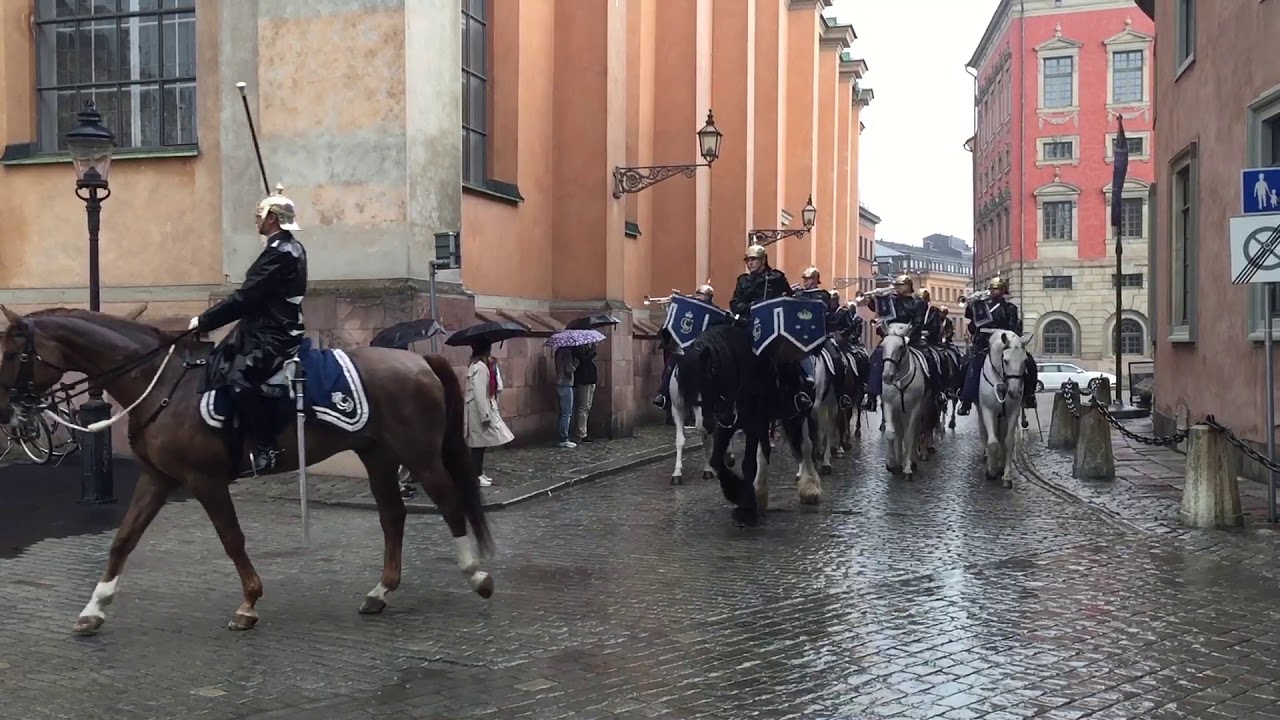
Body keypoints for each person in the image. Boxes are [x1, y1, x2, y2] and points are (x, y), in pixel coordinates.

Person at [192, 185, 307, 475]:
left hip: (275, 333)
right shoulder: (286, 247)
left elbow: (246, 298)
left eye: (260, 215)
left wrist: (204, 321)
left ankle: (267, 448)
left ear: (272, 218)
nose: (256, 220)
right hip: (261, 327)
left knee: (237, 378)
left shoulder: (280, 253)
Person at [729, 245, 812, 413]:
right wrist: (752, 306)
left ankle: (797, 394)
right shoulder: (743, 280)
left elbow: (788, 299)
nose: (750, 263)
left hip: (771, 327)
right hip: (747, 324)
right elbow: (735, 303)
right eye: (748, 260)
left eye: (753, 260)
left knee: (787, 357)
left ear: (763, 260)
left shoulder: (776, 277)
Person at [957, 276, 1039, 415]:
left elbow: (1012, 327)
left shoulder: (1010, 308)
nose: (994, 291)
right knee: (968, 364)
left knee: (1029, 362)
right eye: (993, 289)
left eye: (997, 289)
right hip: (983, 343)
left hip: (1004, 343)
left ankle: (1029, 395)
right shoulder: (982, 306)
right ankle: (966, 399)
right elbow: (970, 317)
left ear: (1003, 291)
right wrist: (972, 303)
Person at [865, 275, 928, 408]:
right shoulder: (891, 300)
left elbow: (918, 322)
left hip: (911, 337)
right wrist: (875, 298)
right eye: (896, 285)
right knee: (876, 356)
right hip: (891, 336)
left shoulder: (918, 302)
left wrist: (909, 337)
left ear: (909, 286)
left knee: (931, 358)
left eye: (901, 285)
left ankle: (937, 392)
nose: (897, 288)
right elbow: (876, 309)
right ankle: (871, 395)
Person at [653, 283, 717, 411]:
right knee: (672, 363)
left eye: (701, 294)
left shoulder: (713, 310)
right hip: (686, 346)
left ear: (708, 296)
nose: (698, 296)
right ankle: (663, 394)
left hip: (704, 347)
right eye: (697, 293)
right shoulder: (690, 306)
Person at [464, 341, 513, 487]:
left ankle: (478, 473)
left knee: (481, 444)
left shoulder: (480, 365)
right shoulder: (480, 367)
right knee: (477, 445)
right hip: (479, 410)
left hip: (480, 408)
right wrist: (484, 415)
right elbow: (480, 393)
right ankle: (475, 475)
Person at [553, 345, 578, 448]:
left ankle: (561, 436)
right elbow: (569, 369)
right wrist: (575, 364)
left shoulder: (559, 351)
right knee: (566, 413)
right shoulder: (566, 352)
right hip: (565, 384)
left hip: (558, 383)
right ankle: (564, 438)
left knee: (562, 413)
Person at [572, 344, 598, 443]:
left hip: (590, 379)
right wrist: (593, 350)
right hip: (584, 380)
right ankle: (581, 432)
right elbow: (584, 359)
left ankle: (584, 430)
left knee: (588, 406)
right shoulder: (579, 347)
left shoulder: (585, 346)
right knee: (583, 406)